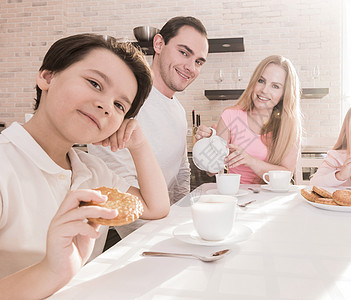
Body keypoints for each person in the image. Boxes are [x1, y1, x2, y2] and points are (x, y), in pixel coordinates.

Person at [0, 33, 170, 298]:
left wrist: (138, 144)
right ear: (47, 77)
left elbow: (156, 207)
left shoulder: (92, 171)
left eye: (119, 106)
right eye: (95, 83)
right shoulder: (5, 166)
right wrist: (51, 271)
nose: (105, 106)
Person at [88, 16, 209, 205]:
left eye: (199, 62)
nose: (190, 67)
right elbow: (117, 185)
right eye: (184, 53)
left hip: (162, 222)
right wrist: (158, 227)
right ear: (159, 44)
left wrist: (180, 214)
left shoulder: (178, 110)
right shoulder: (125, 99)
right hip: (126, 229)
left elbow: (181, 171)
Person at [195, 55, 302, 184]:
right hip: (236, 197)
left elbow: (286, 176)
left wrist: (250, 161)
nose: (264, 90)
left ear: (284, 94)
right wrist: (207, 145)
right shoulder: (230, 116)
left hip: (271, 198)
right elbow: (212, 170)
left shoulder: (290, 128)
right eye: (261, 81)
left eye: (275, 86)